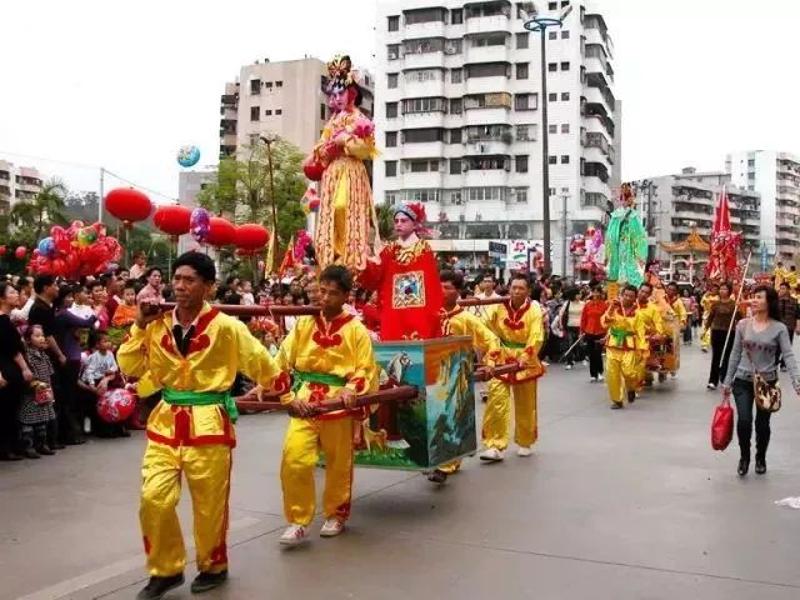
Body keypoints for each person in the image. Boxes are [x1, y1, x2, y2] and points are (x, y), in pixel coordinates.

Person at [118, 252, 281, 599]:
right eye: (176, 278)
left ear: (208, 286)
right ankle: (165, 569)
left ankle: (213, 565)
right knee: (154, 498)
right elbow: (130, 365)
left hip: (209, 424)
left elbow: (261, 361)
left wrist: (287, 392)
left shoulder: (227, 326)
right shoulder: (157, 322)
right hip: (166, 422)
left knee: (209, 505)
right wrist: (139, 325)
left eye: (189, 280)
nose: (179, 286)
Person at [276, 265, 378, 546]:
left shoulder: (356, 329)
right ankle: (298, 520)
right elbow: (283, 358)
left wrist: (350, 387)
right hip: (306, 398)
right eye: (322, 291)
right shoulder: (305, 322)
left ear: (346, 295)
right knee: (294, 457)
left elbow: (366, 368)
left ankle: (336, 513)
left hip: (337, 402)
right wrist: (270, 381)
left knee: (338, 462)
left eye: (333, 293)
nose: (325, 298)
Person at [429, 270, 501, 483]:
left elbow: (491, 340)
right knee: (436, 420)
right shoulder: (430, 314)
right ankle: (444, 459)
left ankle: (446, 465)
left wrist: (490, 362)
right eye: (440, 287)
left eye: (448, 287)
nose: (443, 291)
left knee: (452, 420)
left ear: (458, 291)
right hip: (433, 375)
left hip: (457, 375)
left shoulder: (467, 318)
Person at [722, 285, 800, 476]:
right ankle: (744, 456)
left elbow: (788, 356)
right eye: (754, 297)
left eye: (759, 297)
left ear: (769, 301)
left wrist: (797, 381)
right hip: (742, 380)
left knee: (762, 425)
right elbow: (735, 353)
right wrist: (727, 381)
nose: (754, 300)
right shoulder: (742, 325)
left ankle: (761, 457)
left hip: (768, 383)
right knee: (745, 421)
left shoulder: (779, 328)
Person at [310, 54, 377, 272]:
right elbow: (320, 149)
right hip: (332, 172)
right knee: (329, 217)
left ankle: (351, 261)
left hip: (351, 170)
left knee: (344, 208)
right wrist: (328, 147)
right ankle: (332, 259)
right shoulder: (332, 121)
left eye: (341, 93)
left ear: (351, 94)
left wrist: (345, 141)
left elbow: (367, 150)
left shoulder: (360, 119)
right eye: (333, 94)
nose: (336, 98)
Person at [480, 274, 545, 460]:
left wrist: (526, 356)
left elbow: (536, 335)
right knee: (496, 400)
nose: (516, 291)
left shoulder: (534, 309)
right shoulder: (499, 306)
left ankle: (525, 440)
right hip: (501, 357)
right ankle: (494, 445)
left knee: (525, 403)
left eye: (521, 288)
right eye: (513, 287)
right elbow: (487, 328)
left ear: (528, 291)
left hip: (525, 359)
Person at [360, 202, 443, 341]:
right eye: (396, 221)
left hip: (419, 312)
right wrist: (364, 260)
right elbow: (376, 274)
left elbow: (431, 284)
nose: (398, 224)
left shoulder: (424, 248)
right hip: (394, 313)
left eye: (403, 221)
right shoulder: (389, 250)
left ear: (414, 224)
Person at [0, 282, 33, 461]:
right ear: (2, 298)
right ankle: (6, 448)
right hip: (8, 370)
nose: (16, 295)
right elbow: (14, 351)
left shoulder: (8, 319)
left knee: (10, 409)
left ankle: (10, 446)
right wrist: (25, 368)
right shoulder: (3, 321)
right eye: (12, 292)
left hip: (8, 368)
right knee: (7, 410)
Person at [601, 285, 645, 409]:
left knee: (629, 372)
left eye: (631, 296)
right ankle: (617, 400)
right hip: (613, 345)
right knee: (612, 374)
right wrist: (610, 310)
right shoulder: (614, 308)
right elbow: (604, 323)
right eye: (625, 295)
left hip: (629, 346)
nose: (627, 298)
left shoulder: (638, 314)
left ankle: (631, 388)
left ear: (634, 298)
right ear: (621, 295)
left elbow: (640, 332)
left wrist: (642, 349)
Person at [19, 324, 58, 458]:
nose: (41, 338)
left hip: (45, 392)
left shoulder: (44, 356)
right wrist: (35, 384)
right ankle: (28, 447)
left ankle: (42, 444)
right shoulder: (27, 356)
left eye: (42, 335)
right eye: (37, 336)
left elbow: (49, 375)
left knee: (43, 420)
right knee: (28, 421)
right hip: (31, 394)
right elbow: (27, 377)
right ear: (28, 340)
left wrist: (50, 391)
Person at [79, 330, 125, 438]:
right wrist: (92, 389)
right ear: (97, 344)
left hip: (103, 385)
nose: (109, 343)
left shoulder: (108, 354)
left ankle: (117, 426)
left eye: (109, 341)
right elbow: (78, 379)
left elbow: (113, 372)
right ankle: (93, 428)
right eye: (105, 341)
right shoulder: (86, 357)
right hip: (87, 388)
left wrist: (106, 380)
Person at [706, 282, 741, 390]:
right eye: (721, 289)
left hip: (730, 332)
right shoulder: (715, 304)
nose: (722, 291)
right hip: (716, 331)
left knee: (727, 356)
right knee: (716, 356)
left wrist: (739, 309)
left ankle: (725, 377)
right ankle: (713, 380)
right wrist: (706, 327)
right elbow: (711, 317)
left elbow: (739, 318)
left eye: (725, 289)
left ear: (729, 291)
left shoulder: (733, 304)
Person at [580, 285, 608, 383]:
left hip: (600, 332)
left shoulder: (604, 305)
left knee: (598, 353)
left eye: (597, 292)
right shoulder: (587, 305)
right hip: (589, 332)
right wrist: (581, 331)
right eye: (594, 292)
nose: (595, 294)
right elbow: (583, 319)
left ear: (600, 293)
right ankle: (593, 374)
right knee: (591, 354)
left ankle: (600, 372)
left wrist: (607, 332)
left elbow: (607, 320)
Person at [775, 281, 799, 371]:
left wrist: (798, 326)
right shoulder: (776, 301)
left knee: (787, 346)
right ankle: (775, 362)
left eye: (783, 288)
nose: (781, 290)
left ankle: (783, 364)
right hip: (777, 327)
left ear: (788, 290)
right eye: (780, 288)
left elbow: (798, 315)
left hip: (789, 327)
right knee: (777, 346)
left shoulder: (794, 301)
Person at [700, 283, 720, 352]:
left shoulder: (718, 297)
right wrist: (705, 296)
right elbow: (702, 303)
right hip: (706, 316)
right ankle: (704, 345)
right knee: (706, 330)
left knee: (714, 331)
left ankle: (713, 343)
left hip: (716, 316)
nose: (714, 290)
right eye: (713, 289)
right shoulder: (707, 295)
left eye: (716, 289)